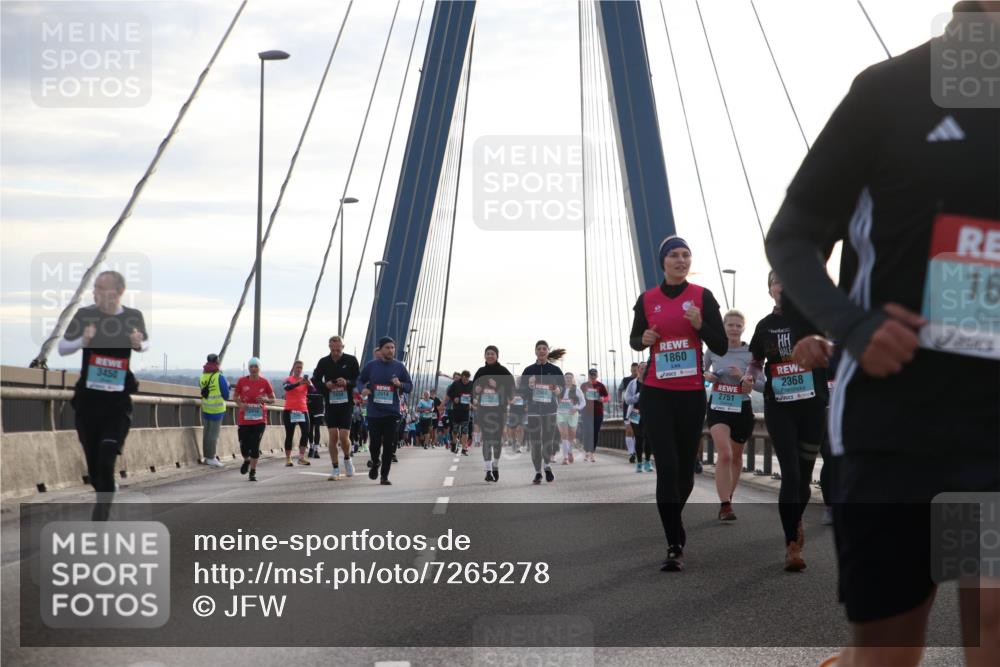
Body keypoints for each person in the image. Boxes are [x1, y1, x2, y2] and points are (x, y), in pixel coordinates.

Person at [765, 4, 999, 663]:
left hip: (993, 426)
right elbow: (793, 233)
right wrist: (855, 325)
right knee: (890, 650)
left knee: (993, 620)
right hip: (894, 425)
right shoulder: (890, 92)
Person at [629, 236, 727, 571]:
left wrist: (700, 325)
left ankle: (674, 518)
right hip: (656, 392)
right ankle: (674, 542)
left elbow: (721, 345)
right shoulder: (648, 299)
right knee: (666, 467)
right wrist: (643, 340)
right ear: (663, 261)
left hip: (690, 393)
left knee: (685, 470)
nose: (681, 259)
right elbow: (634, 339)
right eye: (674, 255)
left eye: (686, 254)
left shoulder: (702, 297)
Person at [744, 276, 828, 572]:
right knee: (791, 474)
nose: (782, 284)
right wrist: (750, 378)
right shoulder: (764, 326)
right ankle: (791, 544)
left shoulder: (814, 317)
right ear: (770, 289)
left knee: (803, 479)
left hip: (813, 405)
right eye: (776, 281)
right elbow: (755, 362)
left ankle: (796, 518)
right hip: (779, 407)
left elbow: (834, 352)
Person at [58, 270, 149, 520]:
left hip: (117, 404)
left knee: (107, 460)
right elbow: (62, 347)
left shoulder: (132, 317)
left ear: (118, 292)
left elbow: (145, 343)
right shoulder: (85, 315)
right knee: (96, 471)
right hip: (88, 403)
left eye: (101, 287)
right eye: (95, 287)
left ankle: (101, 516)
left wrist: (138, 343)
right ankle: (106, 489)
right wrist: (82, 341)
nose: (95, 292)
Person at [703, 310, 756, 521]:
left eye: (738, 325)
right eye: (730, 325)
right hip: (718, 406)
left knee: (735, 457)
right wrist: (707, 376)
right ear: (723, 327)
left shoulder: (752, 353)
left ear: (744, 328)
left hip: (741, 408)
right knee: (724, 454)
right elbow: (700, 373)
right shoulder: (713, 349)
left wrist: (744, 378)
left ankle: (729, 496)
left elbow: (760, 384)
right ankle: (725, 505)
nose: (734, 329)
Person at [356, 337, 412, 485]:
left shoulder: (399, 367)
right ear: (380, 350)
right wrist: (363, 389)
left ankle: (384, 476)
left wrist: (400, 384)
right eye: (387, 347)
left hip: (392, 412)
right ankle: (375, 463)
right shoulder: (372, 366)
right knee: (374, 444)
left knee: (388, 445)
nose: (390, 350)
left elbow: (409, 386)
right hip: (374, 412)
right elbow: (360, 380)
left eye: (392, 348)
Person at [313, 336, 361, 481]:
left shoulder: (351, 360)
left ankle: (347, 459)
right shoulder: (323, 361)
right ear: (329, 347)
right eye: (333, 350)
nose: (335, 352)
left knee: (344, 437)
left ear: (343, 347)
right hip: (330, 403)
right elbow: (315, 380)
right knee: (333, 436)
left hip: (346, 404)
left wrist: (347, 382)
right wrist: (325, 385)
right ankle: (335, 468)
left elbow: (358, 380)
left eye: (338, 350)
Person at [518, 341, 566, 484]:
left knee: (547, 440)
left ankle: (547, 466)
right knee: (535, 443)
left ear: (547, 352)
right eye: (539, 349)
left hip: (550, 410)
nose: (541, 351)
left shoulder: (555, 370)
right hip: (533, 411)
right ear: (535, 352)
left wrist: (557, 390)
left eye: (544, 349)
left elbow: (562, 388)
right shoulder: (528, 370)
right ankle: (538, 472)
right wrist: (530, 387)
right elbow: (521, 393)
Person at [473, 345, 515, 482]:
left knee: (497, 441)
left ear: (497, 356)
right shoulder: (480, 372)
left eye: (492, 354)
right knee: (487, 438)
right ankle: (488, 470)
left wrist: (497, 385)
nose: (490, 356)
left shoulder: (503, 372)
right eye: (488, 353)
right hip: (484, 410)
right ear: (484, 356)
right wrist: (477, 390)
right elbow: (473, 390)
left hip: (499, 411)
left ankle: (495, 465)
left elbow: (511, 391)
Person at [233, 357, 275, 482]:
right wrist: (241, 405)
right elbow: (235, 397)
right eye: (251, 366)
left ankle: (253, 471)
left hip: (260, 419)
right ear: (249, 368)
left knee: (255, 445)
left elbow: (273, 399)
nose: (253, 369)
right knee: (244, 446)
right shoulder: (241, 381)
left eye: (255, 366)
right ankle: (246, 460)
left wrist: (266, 400)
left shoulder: (264, 382)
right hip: (245, 419)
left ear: (259, 368)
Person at [199, 353, 229, 468]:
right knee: (213, 435)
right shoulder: (219, 376)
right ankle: (212, 457)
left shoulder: (202, 376)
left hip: (206, 408)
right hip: (217, 409)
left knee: (206, 433)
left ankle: (206, 457)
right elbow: (226, 395)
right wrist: (227, 386)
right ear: (217, 362)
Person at [281, 360, 312, 467]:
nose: (298, 369)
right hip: (290, 410)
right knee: (290, 434)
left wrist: (309, 384)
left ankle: (301, 457)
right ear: (293, 368)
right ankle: (288, 458)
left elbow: (313, 390)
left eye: (300, 368)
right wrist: (299, 383)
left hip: (303, 410)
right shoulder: (288, 379)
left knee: (306, 432)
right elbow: (287, 387)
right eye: (297, 367)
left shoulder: (305, 380)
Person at [624, 362, 652, 473]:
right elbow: (627, 399)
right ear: (638, 370)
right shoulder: (632, 384)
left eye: (646, 367)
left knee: (649, 438)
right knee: (639, 439)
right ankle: (639, 462)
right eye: (641, 368)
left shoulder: (652, 383)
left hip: (649, 414)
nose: (643, 369)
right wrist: (638, 396)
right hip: (636, 414)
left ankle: (648, 462)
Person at [557, 372, 586, 463]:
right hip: (561, 413)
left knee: (571, 436)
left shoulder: (577, 389)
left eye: (570, 378)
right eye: (566, 378)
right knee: (564, 435)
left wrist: (577, 408)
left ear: (572, 379)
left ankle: (569, 452)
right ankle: (565, 457)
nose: (568, 379)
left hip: (572, 414)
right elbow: (554, 399)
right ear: (564, 379)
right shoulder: (560, 389)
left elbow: (583, 402)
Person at [580, 368, 609, 456]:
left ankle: (592, 451)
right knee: (588, 431)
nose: (592, 376)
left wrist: (602, 399)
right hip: (586, 412)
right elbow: (578, 397)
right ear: (588, 375)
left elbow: (607, 397)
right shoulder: (583, 385)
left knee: (595, 432)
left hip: (598, 412)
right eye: (591, 375)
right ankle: (586, 449)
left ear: (597, 375)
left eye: (594, 375)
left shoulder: (601, 385)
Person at [447, 371, 474, 455]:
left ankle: (464, 448)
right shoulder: (456, 383)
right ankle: (454, 443)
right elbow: (449, 393)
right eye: (464, 379)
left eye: (467, 379)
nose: (465, 381)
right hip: (456, 410)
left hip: (466, 410)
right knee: (455, 430)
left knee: (465, 431)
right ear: (461, 377)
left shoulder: (472, 384)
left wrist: (472, 402)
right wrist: (454, 398)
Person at [305, 375, 325, 458]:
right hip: (309, 408)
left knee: (317, 428)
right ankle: (311, 447)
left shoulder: (323, 384)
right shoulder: (308, 383)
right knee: (310, 428)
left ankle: (316, 449)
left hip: (319, 409)